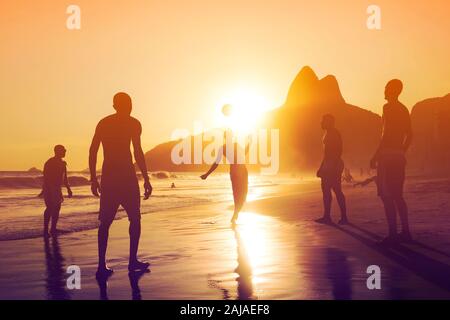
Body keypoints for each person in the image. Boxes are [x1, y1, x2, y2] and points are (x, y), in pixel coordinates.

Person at [89, 92, 152, 277]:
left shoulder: (132, 123)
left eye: (130, 103)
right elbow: (93, 151)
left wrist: (146, 178)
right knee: (107, 222)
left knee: (134, 218)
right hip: (114, 178)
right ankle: (103, 264)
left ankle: (131, 261)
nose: (129, 106)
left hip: (124, 177)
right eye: (126, 104)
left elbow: (138, 151)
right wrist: (93, 178)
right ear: (116, 105)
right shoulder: (106, 123)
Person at [370, 79, 413, 244]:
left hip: (387, 156)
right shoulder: (404, 109)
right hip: (399, 157)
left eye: (387, 87)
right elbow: (410, 134)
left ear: (394, 91)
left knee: (386, 196)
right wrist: (402, 151)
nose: (384, 90)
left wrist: (376, 155)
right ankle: (406, 232)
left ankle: (393, 234)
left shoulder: (388, 108)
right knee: (398, 195)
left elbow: (386, 134)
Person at [201, 131, 251, 224]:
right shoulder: (225, 148)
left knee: (240, 193)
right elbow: (216, 163)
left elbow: (243, 153)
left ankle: (236, 212)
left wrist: (249, 143)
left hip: (238, 169)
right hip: (238, 169)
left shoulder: (225, 147)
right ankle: (236, 213)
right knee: (240, 193)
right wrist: (207, 174)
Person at [316, 114, 348, 224]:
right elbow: (326, 154)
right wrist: (322, 167)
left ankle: (341, 217)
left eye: (323, 121)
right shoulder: (328, 133)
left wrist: (333, 166)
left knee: (335, 190)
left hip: (332, 165)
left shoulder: (334, 133)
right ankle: (328, 216)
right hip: (330, 164)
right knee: (329, 190)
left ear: (329, 122)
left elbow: (338, 150)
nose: (321, 123)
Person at [42, 145, 72, 238]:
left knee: (57, 208)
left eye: (65, 150)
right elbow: (45, 177)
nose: (65, 152)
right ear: (57, 151)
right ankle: (45, 230)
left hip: (57, 188)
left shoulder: (63, 163)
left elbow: (65, 178)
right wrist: (46, 189)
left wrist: (68, 188)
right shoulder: (49, 162)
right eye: (63, 150)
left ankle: (53, 228)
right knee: (50, 208)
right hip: (49, 188)